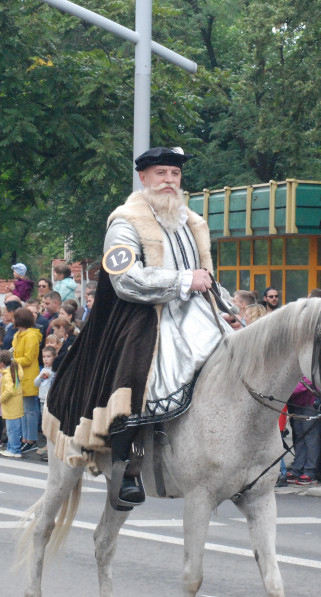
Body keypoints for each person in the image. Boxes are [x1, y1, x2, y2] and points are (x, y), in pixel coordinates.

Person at [44, 146, 239, 508]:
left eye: (175, 175)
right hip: (143, 312)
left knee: (242, 354)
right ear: (144, 178)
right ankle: (126, 464)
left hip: (196, 312)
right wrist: (183, 280)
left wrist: (227, 309)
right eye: (161, 173)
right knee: (135, 366)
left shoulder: (191, 223)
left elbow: (207, 278)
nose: (169, 181)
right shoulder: (124, 222)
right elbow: (125, 279)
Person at [11, 307, 42, 454]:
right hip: (19, 375)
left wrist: (12, 361)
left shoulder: (31, 336)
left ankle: (31, 439)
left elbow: (28, 358)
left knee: (30, 410)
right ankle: (24, 438)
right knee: (23, 410)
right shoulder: (18, 335)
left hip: (29, 375)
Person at [0, 350, 25, 458]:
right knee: (14, 429)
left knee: (12, 430)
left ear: (1, 363)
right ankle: (11, 448)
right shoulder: (16, 369)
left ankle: (15, 450)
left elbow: (9, 390)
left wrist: (2, 398)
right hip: (16, 403)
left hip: (11, 405)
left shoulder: (8, 374)